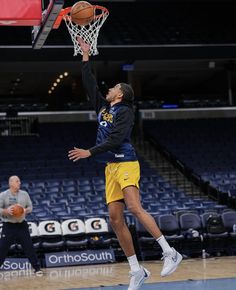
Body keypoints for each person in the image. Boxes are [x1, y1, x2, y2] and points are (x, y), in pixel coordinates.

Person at [68, 39, 182, 290]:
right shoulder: (103, 108)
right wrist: (86, 56)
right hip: (110, 167)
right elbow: (90, 86)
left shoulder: (126, 111)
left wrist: (90, 151)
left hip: (126, 161)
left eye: (114, 87)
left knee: (134, 206)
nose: (108, 89)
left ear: (120, 94)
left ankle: (170, 251)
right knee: (115, 218)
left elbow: (117, 139)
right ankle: (136, 269)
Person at [0, 176, 43, 276]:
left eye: (19, 181)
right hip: (8, 225)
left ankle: (37, 268)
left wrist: (25, 210)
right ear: (11, 183)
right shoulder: (3, 195)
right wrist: (6, 211)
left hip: (21, 225)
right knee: (2, 248)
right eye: (17, 181)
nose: (19, 183)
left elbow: (30, 207)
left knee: (29, 247)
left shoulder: (24, 194)